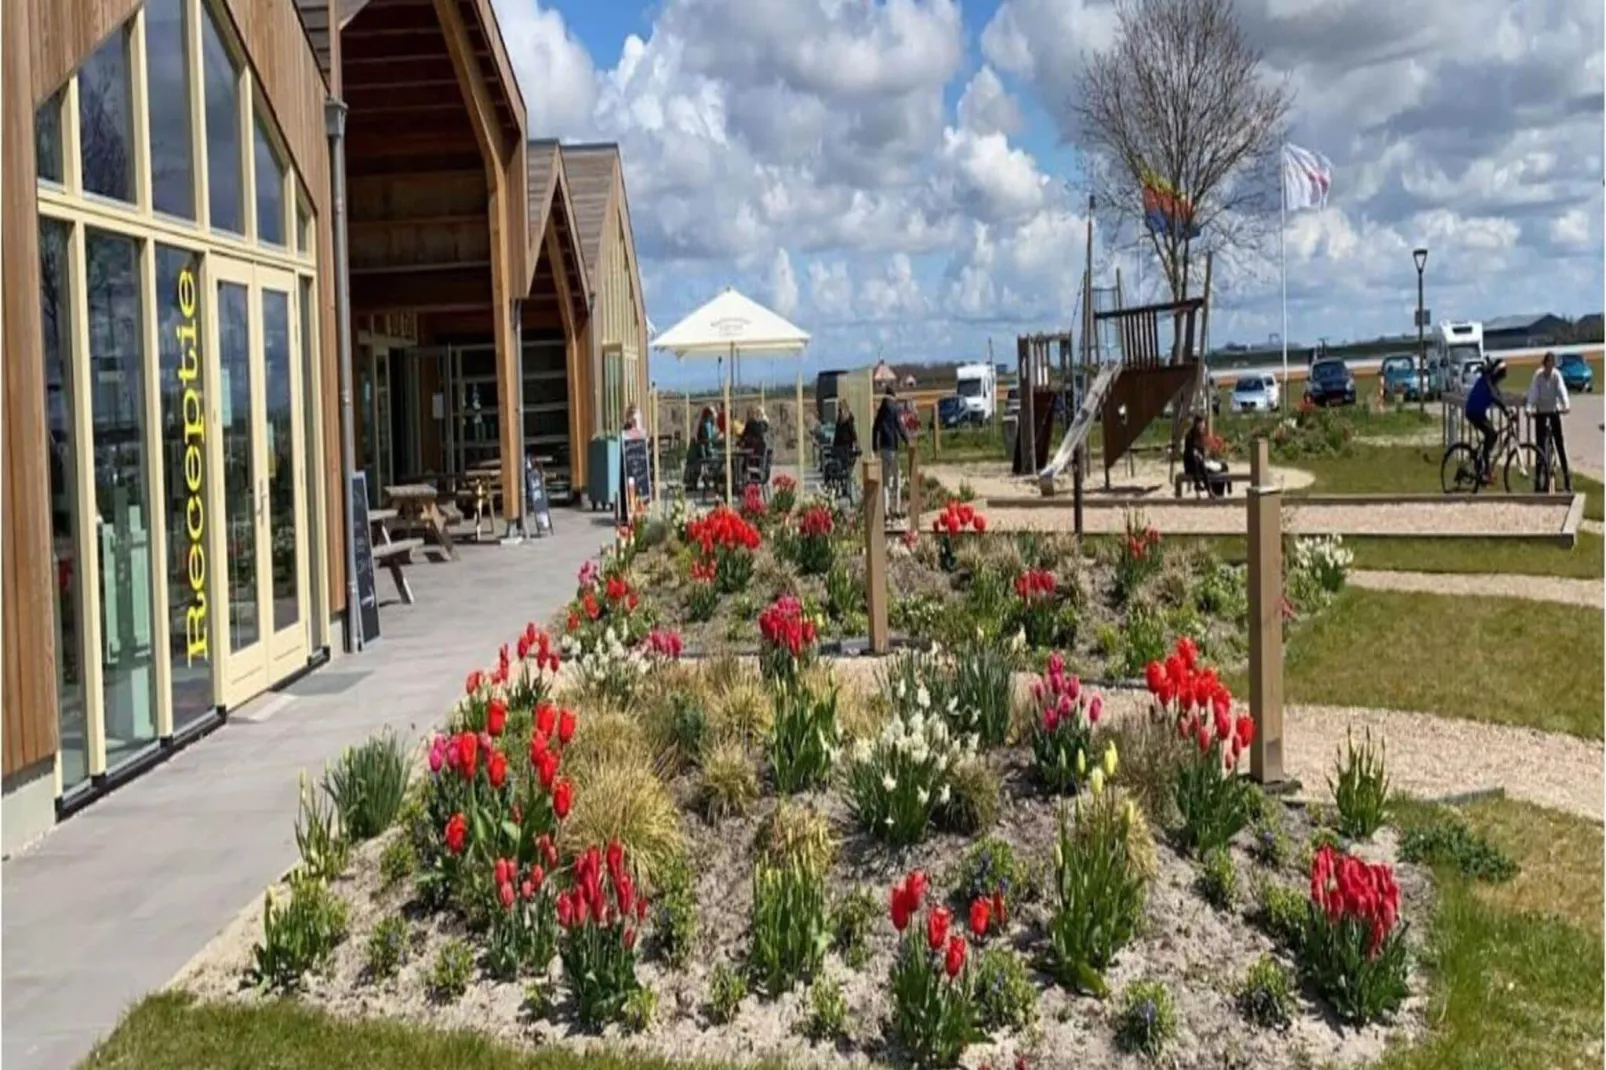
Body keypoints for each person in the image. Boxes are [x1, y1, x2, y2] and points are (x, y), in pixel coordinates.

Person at [1525, 351, 1572, 492]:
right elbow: (1533, 392)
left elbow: (1561, 390)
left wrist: (1566, 405)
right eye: (1547, 365)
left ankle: (1566, 477)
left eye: (1551, 366)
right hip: (1540, 412)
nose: (1549, 369)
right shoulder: (1538, 376)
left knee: (1559, 443)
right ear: (1544, 364)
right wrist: (1529, 407)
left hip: (1553, 411)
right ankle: (1538, 480)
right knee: (1540, 446)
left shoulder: (1556, 376)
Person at [1463, 358, 1510, 483]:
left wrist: (1509, 411)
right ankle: (1486, 470)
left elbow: (1499, 397)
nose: (1500, 379)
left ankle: (1484, 464)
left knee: (1492, 435)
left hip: (1479, 413)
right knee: (1491, 434)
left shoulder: (1492, 382)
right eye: (1500, 376)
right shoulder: (1488, 380)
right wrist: (1505, 411)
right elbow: (1495, 398)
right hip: (1473, 412)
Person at [872, 386, 910, 517]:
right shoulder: (896, 408)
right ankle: (897, 508)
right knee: (897, 480)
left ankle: (886, 510)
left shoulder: (881, 410)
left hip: (883, 447)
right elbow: (900, 426)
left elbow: (875, 427)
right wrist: (907, 440)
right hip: (893, 447)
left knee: (885, 481)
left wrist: (874, 447)